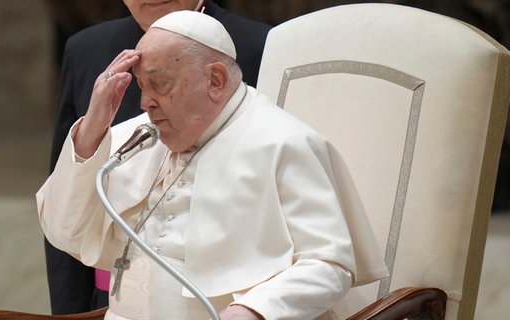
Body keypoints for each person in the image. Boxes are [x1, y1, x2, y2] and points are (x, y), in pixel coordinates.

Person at [38, 10, 387, 320]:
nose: (145, 103)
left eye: (160, 85)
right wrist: (90, 135)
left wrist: (255, 309)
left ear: (215, 81)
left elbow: (330, 265)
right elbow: (63, 231)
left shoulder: (283, 142)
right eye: (142, 86)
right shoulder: (135, 137)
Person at [45, 0, 272, 314]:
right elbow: (67, 195)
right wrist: (69, 312)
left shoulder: (263, 45)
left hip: (221, 300)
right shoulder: (86, 48)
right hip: (112, 297)